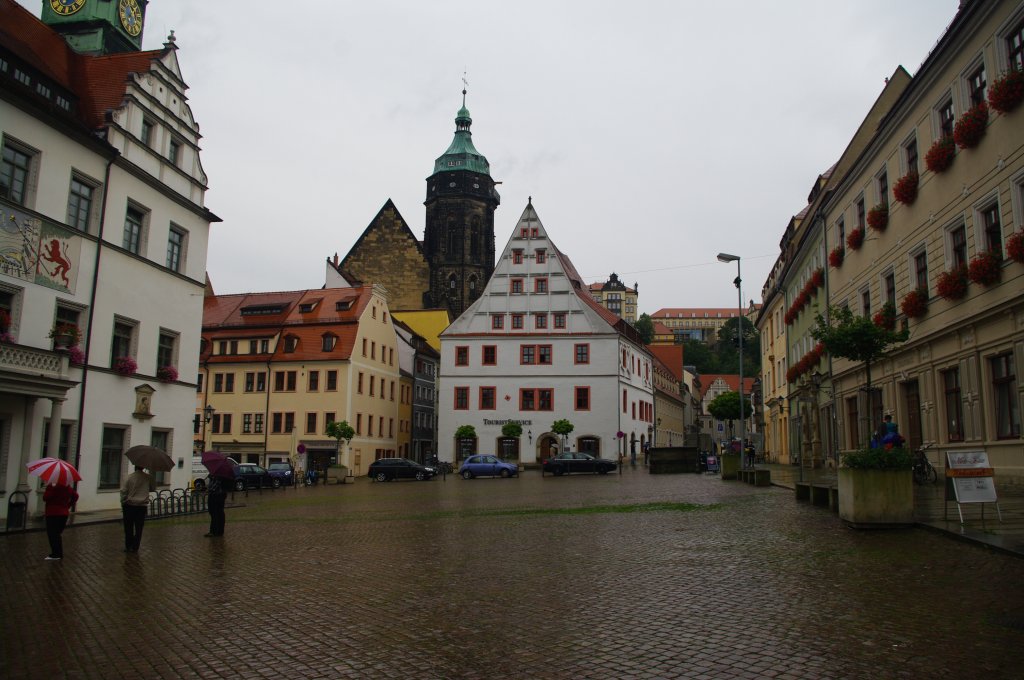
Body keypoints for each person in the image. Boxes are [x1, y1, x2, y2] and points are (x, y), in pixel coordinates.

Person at [120, 465, 153, 553]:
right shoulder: (148, 477)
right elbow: (153, 488)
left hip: (129, 505)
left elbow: (123, 491)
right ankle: (135, 547)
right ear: (143, 467)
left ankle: (128, 546)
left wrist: (122, 501)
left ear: (135, 467)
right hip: (142, 506)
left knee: (128, 527)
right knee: (139, 528)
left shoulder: (129, 477)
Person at [43, 483, 78, 561]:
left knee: (52, 534)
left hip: (52, 513)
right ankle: (58, 553)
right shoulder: (67, 487)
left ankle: (56, 554)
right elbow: (76, 496)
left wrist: (50, 488)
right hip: (64, 513)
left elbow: (45, 497)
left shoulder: (52, 486)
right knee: (57, 534)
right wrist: (68, 505)